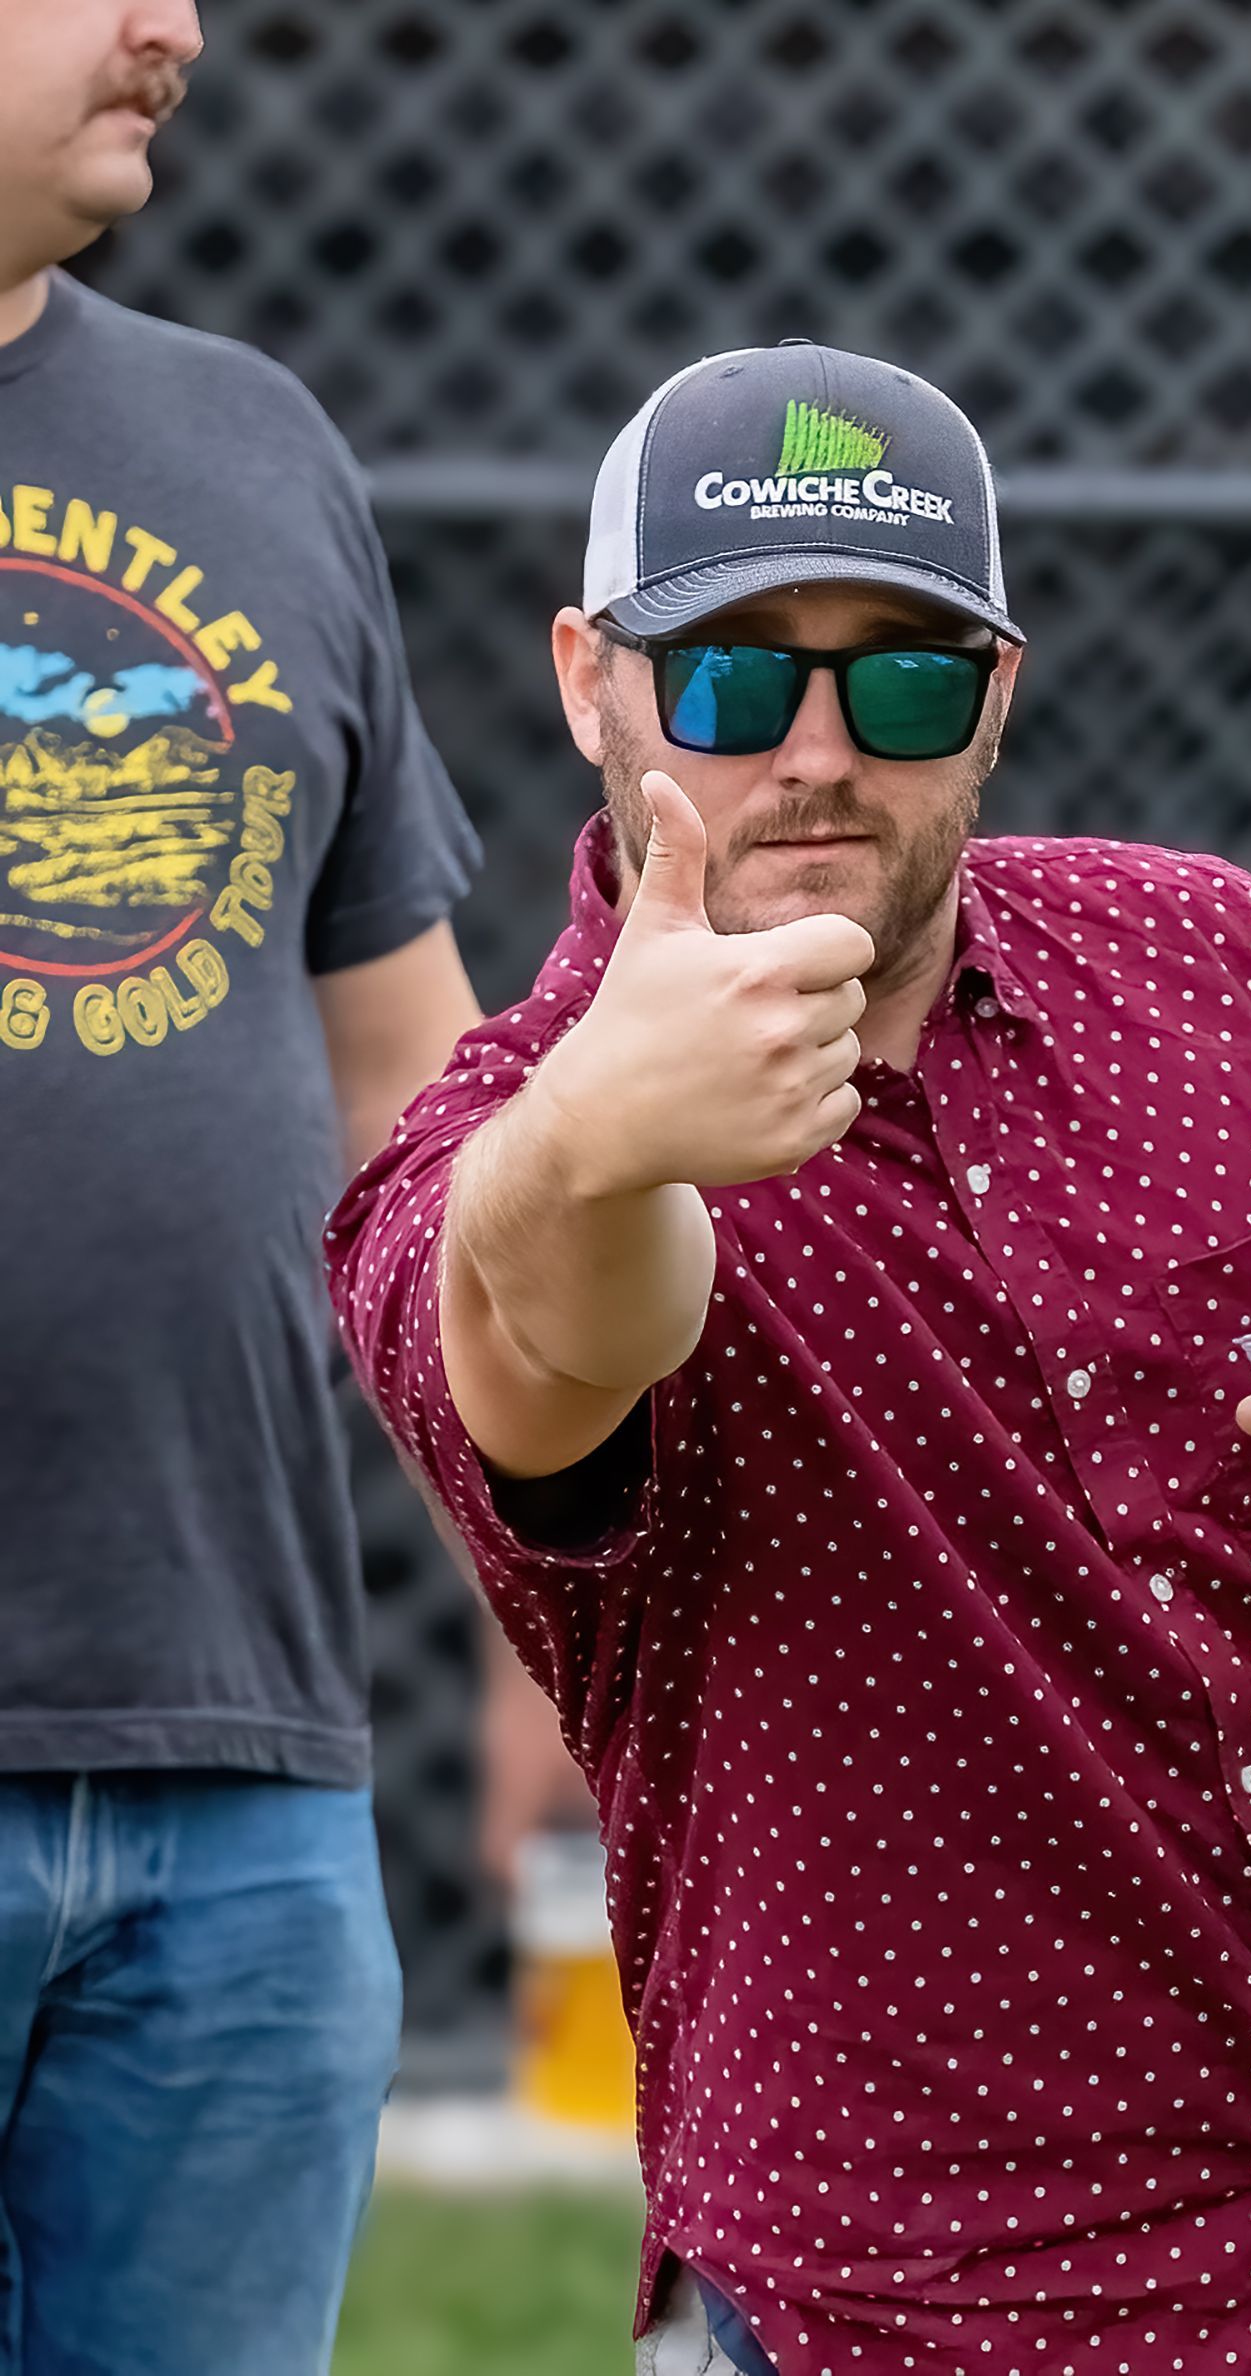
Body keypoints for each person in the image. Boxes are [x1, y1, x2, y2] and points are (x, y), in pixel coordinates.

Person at [329, 339, 1251, 2376]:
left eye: (899, 679)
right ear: (585, 682)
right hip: (947, 2307)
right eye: (727, 677)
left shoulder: (1218, 958)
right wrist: (609, 1138)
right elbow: (551, 1338)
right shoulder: (502, 1151)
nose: (814, 751)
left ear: (995, 697)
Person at [0, 6, 482, 2368]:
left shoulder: (248, 441)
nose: (173, 25)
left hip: (238, 1785)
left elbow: (417, 1089)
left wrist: (539, 1591)